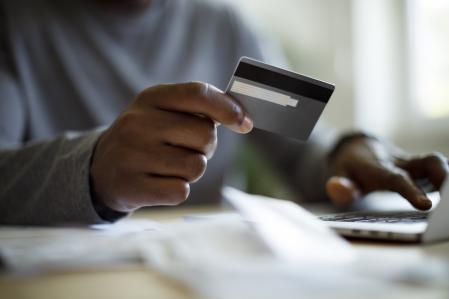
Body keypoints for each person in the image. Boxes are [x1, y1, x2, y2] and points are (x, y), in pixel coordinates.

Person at [0, 0, 447, 225]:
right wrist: (92, 168)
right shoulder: (14, 22)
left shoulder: (222, 23)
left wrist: (346, 152)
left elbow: (298, 148)